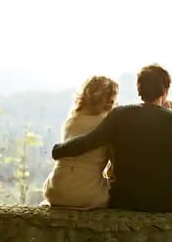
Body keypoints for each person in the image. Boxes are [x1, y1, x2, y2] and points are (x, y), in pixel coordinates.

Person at [51, 64, 172, 212]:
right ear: (165, 91)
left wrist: (59, 150)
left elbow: (90, 141)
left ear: (139, 89)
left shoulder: (119, 114)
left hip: (124, 199)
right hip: (162, 201)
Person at [43, 76, 118, 209]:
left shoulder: (70, 122)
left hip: (55, 190)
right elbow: (113, 165)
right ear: (110, 99)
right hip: (88, 195)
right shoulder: (107, 125)